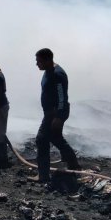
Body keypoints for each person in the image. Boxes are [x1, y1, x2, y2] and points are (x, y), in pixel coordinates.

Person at [31, 48, 80, 183]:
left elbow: (62, 97)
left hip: (55, 114)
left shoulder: (58, 74)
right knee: (56, 139)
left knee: (41, 140)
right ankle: (74, 166)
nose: (37, 64)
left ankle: (43, 175)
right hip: (51, 113)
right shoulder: (48, 71)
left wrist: (58, 117)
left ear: (48, 60)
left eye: (39, 61)